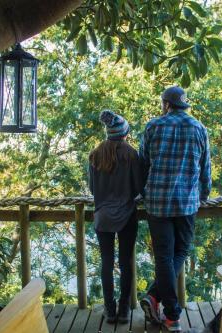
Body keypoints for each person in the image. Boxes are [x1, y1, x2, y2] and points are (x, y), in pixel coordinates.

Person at [139, 86, 211, 332]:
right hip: (186, 203)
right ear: (182, 105)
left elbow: (143, 163)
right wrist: (204, 194)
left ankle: (157, 300)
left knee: (164, 256)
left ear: (166, 104)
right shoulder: (199, 128)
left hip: (157, 203)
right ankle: (172, 315)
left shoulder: (153, 126)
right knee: (181, 251)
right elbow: (205, 168)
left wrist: (143, 193)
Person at [88, 110, 143, 324]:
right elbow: (139, 187)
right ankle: (124, 311)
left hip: (103, 216)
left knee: (107, 262)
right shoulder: (131, 154)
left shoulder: (95, 155)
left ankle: (109, 310)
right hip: (127, 215)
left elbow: (93, 189)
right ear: (125, 133)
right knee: (126, 262)